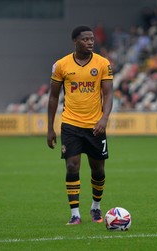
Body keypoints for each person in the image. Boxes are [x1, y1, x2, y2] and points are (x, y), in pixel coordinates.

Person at [47, 25, 114, 225]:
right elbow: (53, 97)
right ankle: (75, 214)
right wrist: (50, 128)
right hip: (70, 124)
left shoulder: (103, 63)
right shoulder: (61, 65)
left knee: (98, 170)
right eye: (85, 39)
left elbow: (109, 94)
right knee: (72, 166)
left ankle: (95, 207)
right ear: (75, 41)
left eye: (92, 39)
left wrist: (104, 119)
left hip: (95, 126)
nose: (90, 42)